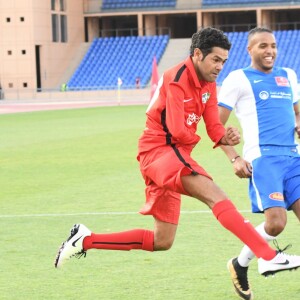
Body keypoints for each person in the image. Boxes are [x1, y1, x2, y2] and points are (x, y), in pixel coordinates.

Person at [54, 28, 300, 291]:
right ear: (197, 54)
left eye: (224, 61)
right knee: (214, 194)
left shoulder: (209, 84)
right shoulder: (175, 78)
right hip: (159, 151)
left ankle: (85, 240)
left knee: (162, 240)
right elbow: (177, 130)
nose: (220, 67)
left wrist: (227, 140)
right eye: (215, 60)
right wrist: (205, 141)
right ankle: (268, 256)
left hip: (173, 155)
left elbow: (213, 126)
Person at [218, 27, 300, 300]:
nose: (270, 51)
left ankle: (248, 263)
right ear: (249, 50)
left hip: (293, 158)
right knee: (276, 224)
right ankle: (240, 265)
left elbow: (298, 114)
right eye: (263, 46)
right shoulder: (238, 79)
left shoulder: (288, 75)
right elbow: (215, 124)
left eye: (273, 45)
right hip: (263, 159)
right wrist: (235, 157)